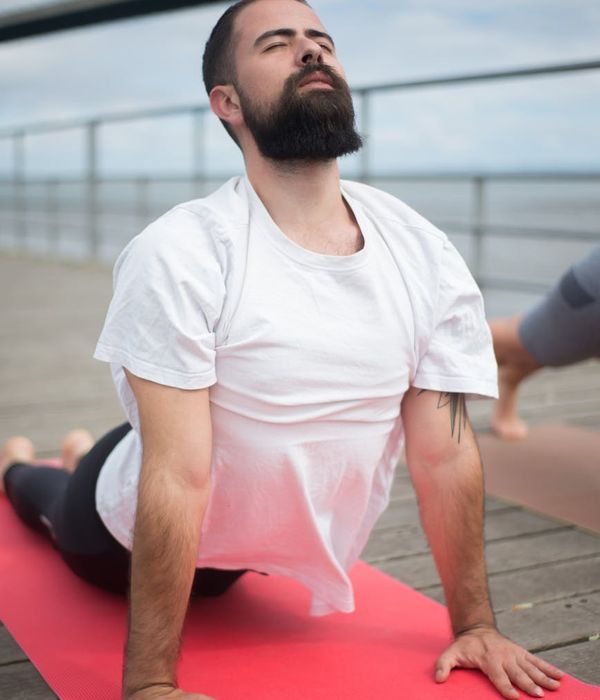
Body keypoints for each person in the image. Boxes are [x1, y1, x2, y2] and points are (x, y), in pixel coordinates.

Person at [1, 1, 565, 699]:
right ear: (227, 102)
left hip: (249, 543)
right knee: (46, 498)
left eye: (321, 40)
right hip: (124, 528)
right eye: (278, 43)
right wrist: (150, 684)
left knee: (144, 465)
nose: (311, 51)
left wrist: (476, 623)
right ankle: (23, 465)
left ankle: (83, 446)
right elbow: (178, 476)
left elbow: (445, 452)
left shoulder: (423, 250)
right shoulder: (180, 252)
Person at [490, 244, 600, 440]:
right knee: (520, 342)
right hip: (589, 295)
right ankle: (432, 341)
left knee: (534, 346)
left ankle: (509, 378)